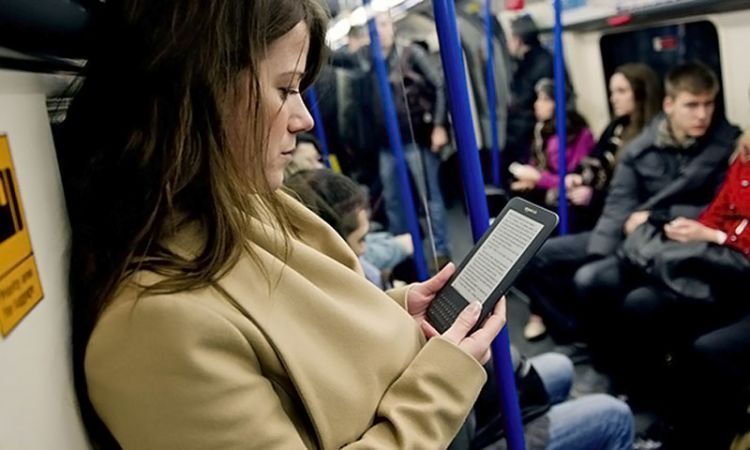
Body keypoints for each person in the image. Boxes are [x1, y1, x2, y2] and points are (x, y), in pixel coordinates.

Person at [59, 1, 507, 448]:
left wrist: (395, 310)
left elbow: (300, 332)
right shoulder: (151, 335)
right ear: (202, 91)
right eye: (285, 89)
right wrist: (444, 385)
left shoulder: (240, 206)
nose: (305, 119)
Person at [513, 62, 741, 344]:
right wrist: (602, 251)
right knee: (539, 256)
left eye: (708, 104)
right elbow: (620, 202)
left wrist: (657, 215)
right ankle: (577, 335)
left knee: (593, 280)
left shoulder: (726, 146)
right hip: (632, 234)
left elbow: (723, 209)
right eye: (692, 106)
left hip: (680, 238)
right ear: (669, 105)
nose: (703, 115)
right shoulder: (642, 147)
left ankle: (598, 345)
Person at [523, 63, 663, 340]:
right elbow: (594, 165)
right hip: (599, 215)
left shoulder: (651, 139)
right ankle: (567, 323)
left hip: (621, 225)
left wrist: (592, 194)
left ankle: (573, 328)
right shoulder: (616, 127)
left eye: (621, 91)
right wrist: (579, 180)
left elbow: (632, 194)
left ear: (641, 93)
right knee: (531, 251)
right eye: (613, 91)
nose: (614, 98)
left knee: (545, 258)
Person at [335, 12, 453, 264]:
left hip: (416, 138)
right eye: (375, 27)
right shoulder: (367, 56)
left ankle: (440, 250)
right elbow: (339, 59)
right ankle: (405, 250)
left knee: (429, 197)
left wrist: (440, 125)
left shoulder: (411, 54)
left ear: (393, 28)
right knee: (393, 200)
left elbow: (440, 85)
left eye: (385, 25)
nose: (381, 31)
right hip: (386, 143)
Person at [508, 78, 595, 231]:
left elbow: (572, 178)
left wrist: (537, 178)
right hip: (548, 189)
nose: (537, 104)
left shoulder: (575, 132)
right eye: (537, 99)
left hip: (568, 198)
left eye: (544, 100)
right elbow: (537, 163)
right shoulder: (542, 129)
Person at [504, 14, 554, 180]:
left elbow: (523, 101)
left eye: (511, 38)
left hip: (526, 132)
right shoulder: (537, 59)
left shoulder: (535, 64)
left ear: (518, 39)